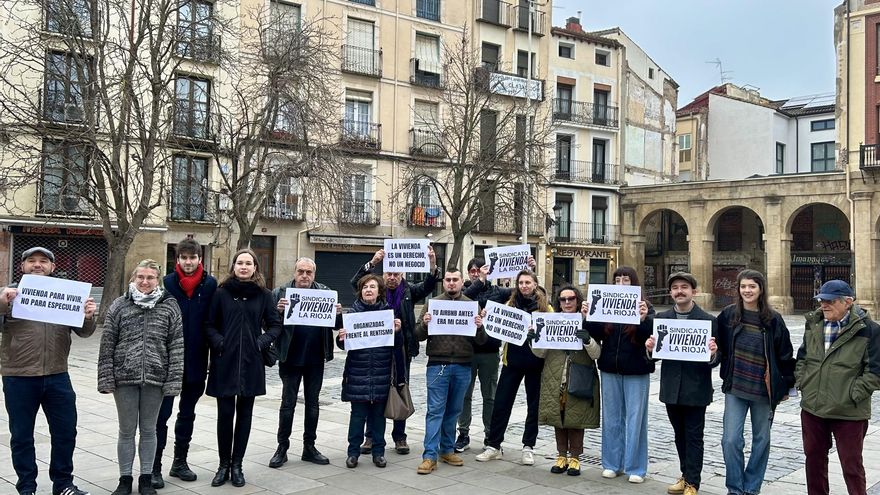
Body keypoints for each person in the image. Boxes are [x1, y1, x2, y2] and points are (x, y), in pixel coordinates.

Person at [1, 247, 97, 495]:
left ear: (52, 267)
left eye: (43, 261)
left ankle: (63, 483)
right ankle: (26, 487)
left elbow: (85, 332)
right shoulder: (9, 295)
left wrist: (88, 316)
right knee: (21, 436)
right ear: (22, 266)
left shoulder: (65, 295)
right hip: (19, 376)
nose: (37, 265)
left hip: (57, 375)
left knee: (66, 431)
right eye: (31, 261)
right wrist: (2, 304)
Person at [98, 260, 184, 495]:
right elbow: (107, 343)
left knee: (149, 430)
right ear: (133, 278)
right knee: (126, 430)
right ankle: (125, 478)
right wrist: (105, 378)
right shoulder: (119, 305)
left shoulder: (169, 306)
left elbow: (176, 345)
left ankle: (146, 477)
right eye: (141, 277)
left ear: (158, 280)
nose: (145, 282)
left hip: (156, 378)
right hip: (124, 378)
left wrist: (174, 380)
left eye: (151, 278)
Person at [350, 247, 440, 455]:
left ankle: (400, 437)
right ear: (383, 275)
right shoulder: (377, 291)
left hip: (401, 350)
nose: (392, 277)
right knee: (374, 393)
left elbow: (429, 283)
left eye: (396, 274)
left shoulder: (409, 291)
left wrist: (432, 263)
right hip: (377, 350)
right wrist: (372, 262)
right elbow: (356, 283)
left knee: (400, 389)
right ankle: (370, 437)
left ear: (402, 275)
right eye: (389, 273)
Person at [204, 249, 282, 487]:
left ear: (255, 267)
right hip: (224, 362)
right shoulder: (221, 293)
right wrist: (220, 342)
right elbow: (209, 325)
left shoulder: (264, 295)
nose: (244, 267)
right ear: (234, 267)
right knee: (225, 416)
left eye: (249, 263)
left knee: (245, 416)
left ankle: (237, 465)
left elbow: (275, 325)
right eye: (240, 263)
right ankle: (223, 465)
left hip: (251, 362)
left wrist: (260, 343)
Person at [795, 280, 880, 495]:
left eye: (830, 301)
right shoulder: (813, 324)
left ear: (848, 302)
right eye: (822, 300)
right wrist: (803, 381)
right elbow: (803, 358)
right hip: (813, 408)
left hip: (849, 411)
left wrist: (853, 394)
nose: (824, 305)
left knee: (851, 466)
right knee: (814, 461)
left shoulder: (869, 330)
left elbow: (876, 371)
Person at [716, 269, 795, 495]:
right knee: (730, 440)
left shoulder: (773, 320)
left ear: (761, 289)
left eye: (752, 286)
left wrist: (788, 384)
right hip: (736, 387)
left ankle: (751, 488)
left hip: (764, 391)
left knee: (761, 440)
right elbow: (717, 347)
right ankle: (735, 487)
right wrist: (712, 354)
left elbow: (784, 354)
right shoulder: (728, 316)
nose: (747, 290)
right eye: (743, 286)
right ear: (738, 289)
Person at [151, 239, 217, 487]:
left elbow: (215, 319)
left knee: (187, 413)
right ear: (177, 259)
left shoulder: (210, 285)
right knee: (161, 416)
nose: (188, 262)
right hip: (168, 361)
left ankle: (180, 462)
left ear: (200, 258)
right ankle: (154, 467)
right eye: (184, 258)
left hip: (197, 360)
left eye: (193, 257)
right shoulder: (166, 283)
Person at [645, 272, 718, 495]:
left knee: (694, 436)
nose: (679, 291)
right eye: (675, 287)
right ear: (670, 293)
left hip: (696, 389)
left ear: (693, 291)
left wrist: (713, 354)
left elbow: (715, 360)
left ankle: (693, 483)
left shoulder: (708, 321)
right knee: (679, 435)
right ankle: (685, 475)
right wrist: (649, 349)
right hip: (671, 389)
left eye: (684, 287)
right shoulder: (662, 318)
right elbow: (655, 355)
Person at [268, 257, 341, 468]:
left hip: (315, 358)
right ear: (294, 272)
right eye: (301, 271)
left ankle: (309, 447)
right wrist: (278, 312)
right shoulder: (280, 293)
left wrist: (337, 314)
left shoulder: (325, 293)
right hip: (290, 357)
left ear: (314, 275)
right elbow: (267, 323)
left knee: (313, 404)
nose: (304, 276)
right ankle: (282, 447)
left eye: (309, 272)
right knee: (287, 404)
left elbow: (336, 326)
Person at [456, 256, 534, 452]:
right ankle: (463, 432)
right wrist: (480, 281)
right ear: (468, 273)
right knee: (464, 395)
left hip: (490, 351)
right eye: (472, 271)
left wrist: (530, 270)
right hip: (467, 351)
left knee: (490, 396)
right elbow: (465, 297)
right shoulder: (464, 291)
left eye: (479, 270)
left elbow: (523, 290)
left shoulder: (498, 292)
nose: (475, 273)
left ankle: (490, 434)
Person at [414, 268, 487, 474]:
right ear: (443, 282)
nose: (452, 283)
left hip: (463, 365)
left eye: (455, 280)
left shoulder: (471, 306)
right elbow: (418, 335)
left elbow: (481, 341)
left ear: (462, 282)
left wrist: (480, 327)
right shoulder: (433, 303)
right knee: (435, 410)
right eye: (448, 280)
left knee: (454, 411)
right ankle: (429, 455)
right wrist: (425, 324)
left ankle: (446, 449)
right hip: (438, 364)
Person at [585, 266, 653, 484]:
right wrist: (588, 317)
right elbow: (596, 333)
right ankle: (612, 463)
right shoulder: (605, 304)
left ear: (633, 283)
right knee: (612, 418)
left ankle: (636, 467)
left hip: (636, 370)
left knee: (636, 420)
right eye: (617, 280)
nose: (621, 283)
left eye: (626, 280)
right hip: (609, 368)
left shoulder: (646, 308)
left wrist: (643, 320)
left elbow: (652, 339)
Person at [475, 270, 550, 466]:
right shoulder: (509, 304)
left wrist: (538, 335)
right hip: (512, 361)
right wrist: (486, 317)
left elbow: (551, 336)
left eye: (528, 282)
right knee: (501, 403)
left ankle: (528, 446)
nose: (524, 286)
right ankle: (494, 445)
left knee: (533, 406)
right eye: (521, 282)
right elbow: (496, 324)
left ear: (535, 284)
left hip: (535, 362)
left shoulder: (545, 308)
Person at [336, 274, 404, 469]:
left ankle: (379, 453)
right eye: (365, 287)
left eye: (372, 287)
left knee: (378, 417)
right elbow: (343, 345)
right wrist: (341, 338)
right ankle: (353, 452)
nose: (368, 290)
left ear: (379, 291)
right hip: (358, 373)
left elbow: (397, 345)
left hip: (381, 373)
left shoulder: (388, 313)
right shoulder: (352, 314)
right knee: (357, 415)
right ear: (360, 291)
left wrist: (397, 332)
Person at [533, 285, 601, 477]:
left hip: (579, 377)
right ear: (559, 302)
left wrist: (587, 340)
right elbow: (540, 353)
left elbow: (597, 354)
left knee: (576, 419)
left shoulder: (588, 321)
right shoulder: (550, 321)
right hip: (555, 377)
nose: (567, 303)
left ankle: (575, 458)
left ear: (577, 301)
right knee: (558, 417)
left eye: (571, 299)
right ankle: (561, 455)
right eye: (563, 300)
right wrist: (534, 340)